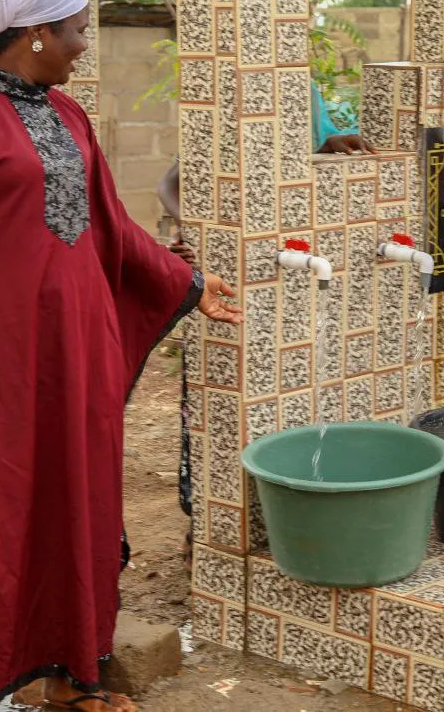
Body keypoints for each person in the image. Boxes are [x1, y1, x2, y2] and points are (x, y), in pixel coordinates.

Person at [0, 0, 243, 712]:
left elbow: (109, 227)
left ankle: (70, 676)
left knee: (72, 501)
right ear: (34, 33)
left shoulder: (69, 115)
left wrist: (190, 283)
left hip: (72, 356)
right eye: (75, 29)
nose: (83, 44)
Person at [156, 81, 370, 559]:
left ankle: (267, 516)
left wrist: (325, 145)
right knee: (212, 399)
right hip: (224, 269)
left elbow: (295, 165)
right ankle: (204, 525)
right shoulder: (232, 101)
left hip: (274, 275)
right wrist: (195, 223)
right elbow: (169, 183)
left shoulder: (308, 93)